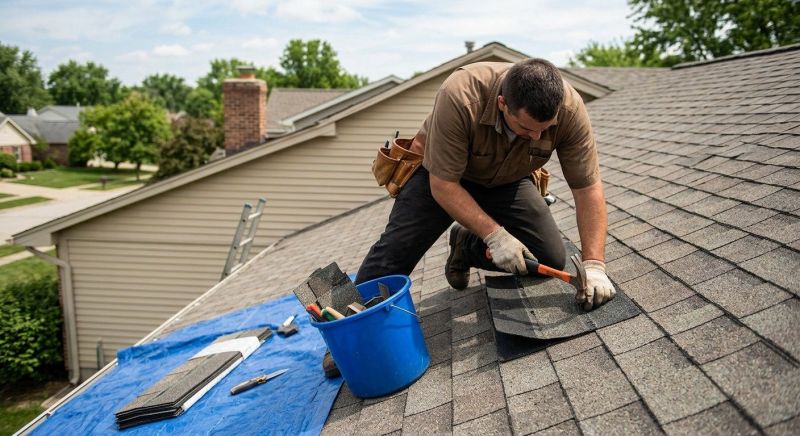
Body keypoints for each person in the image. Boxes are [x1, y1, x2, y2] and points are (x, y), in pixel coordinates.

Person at [355, 58, 616, 310]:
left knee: (548, 259)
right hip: (440, 176)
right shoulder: (460, 94)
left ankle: (466, 246)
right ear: (503, 104)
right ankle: (350, 327)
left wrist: (594, 265)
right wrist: (496, 236)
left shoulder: (570, 109)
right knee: (395, 253)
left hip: (507, 179)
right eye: (526, 129)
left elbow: (587, 188)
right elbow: (443, 184)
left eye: (545, 129)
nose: (536, 136)